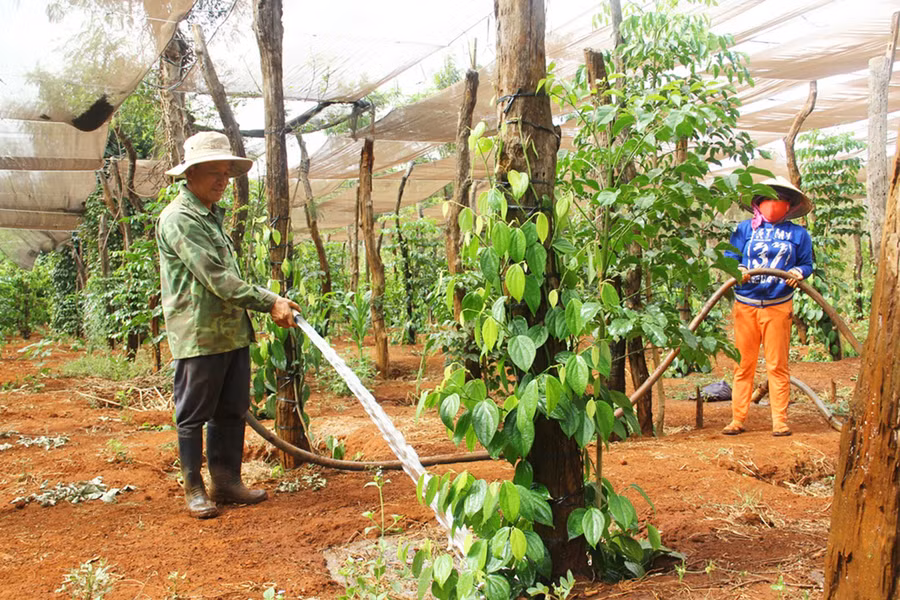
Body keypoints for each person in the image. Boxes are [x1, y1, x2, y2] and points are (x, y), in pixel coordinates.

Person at [157, 131, 301, 518]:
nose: (222, 180)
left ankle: (227, 482)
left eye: (226, 173)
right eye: (212, 172)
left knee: (232, 409)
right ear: (190, 175)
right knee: (193, 413)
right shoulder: (179, 219)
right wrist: (269, 300)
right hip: (199, 334)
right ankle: (194, 489)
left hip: (231, 332)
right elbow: (215, 277)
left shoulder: (211, 216)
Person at [723, 176, 813, 437]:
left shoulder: (799, 234)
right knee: (744, 365)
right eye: (768, 200)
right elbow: (730, 257)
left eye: (780, 201)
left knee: (777, 364)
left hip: (778, 304)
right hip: (746, 303)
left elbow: (807, 263)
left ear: (789, 206)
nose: (774, 205)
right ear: (758, 203)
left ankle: (780, 422)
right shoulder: (744, 229)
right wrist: (738, 268)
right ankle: (737, 419)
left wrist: (799, 272)